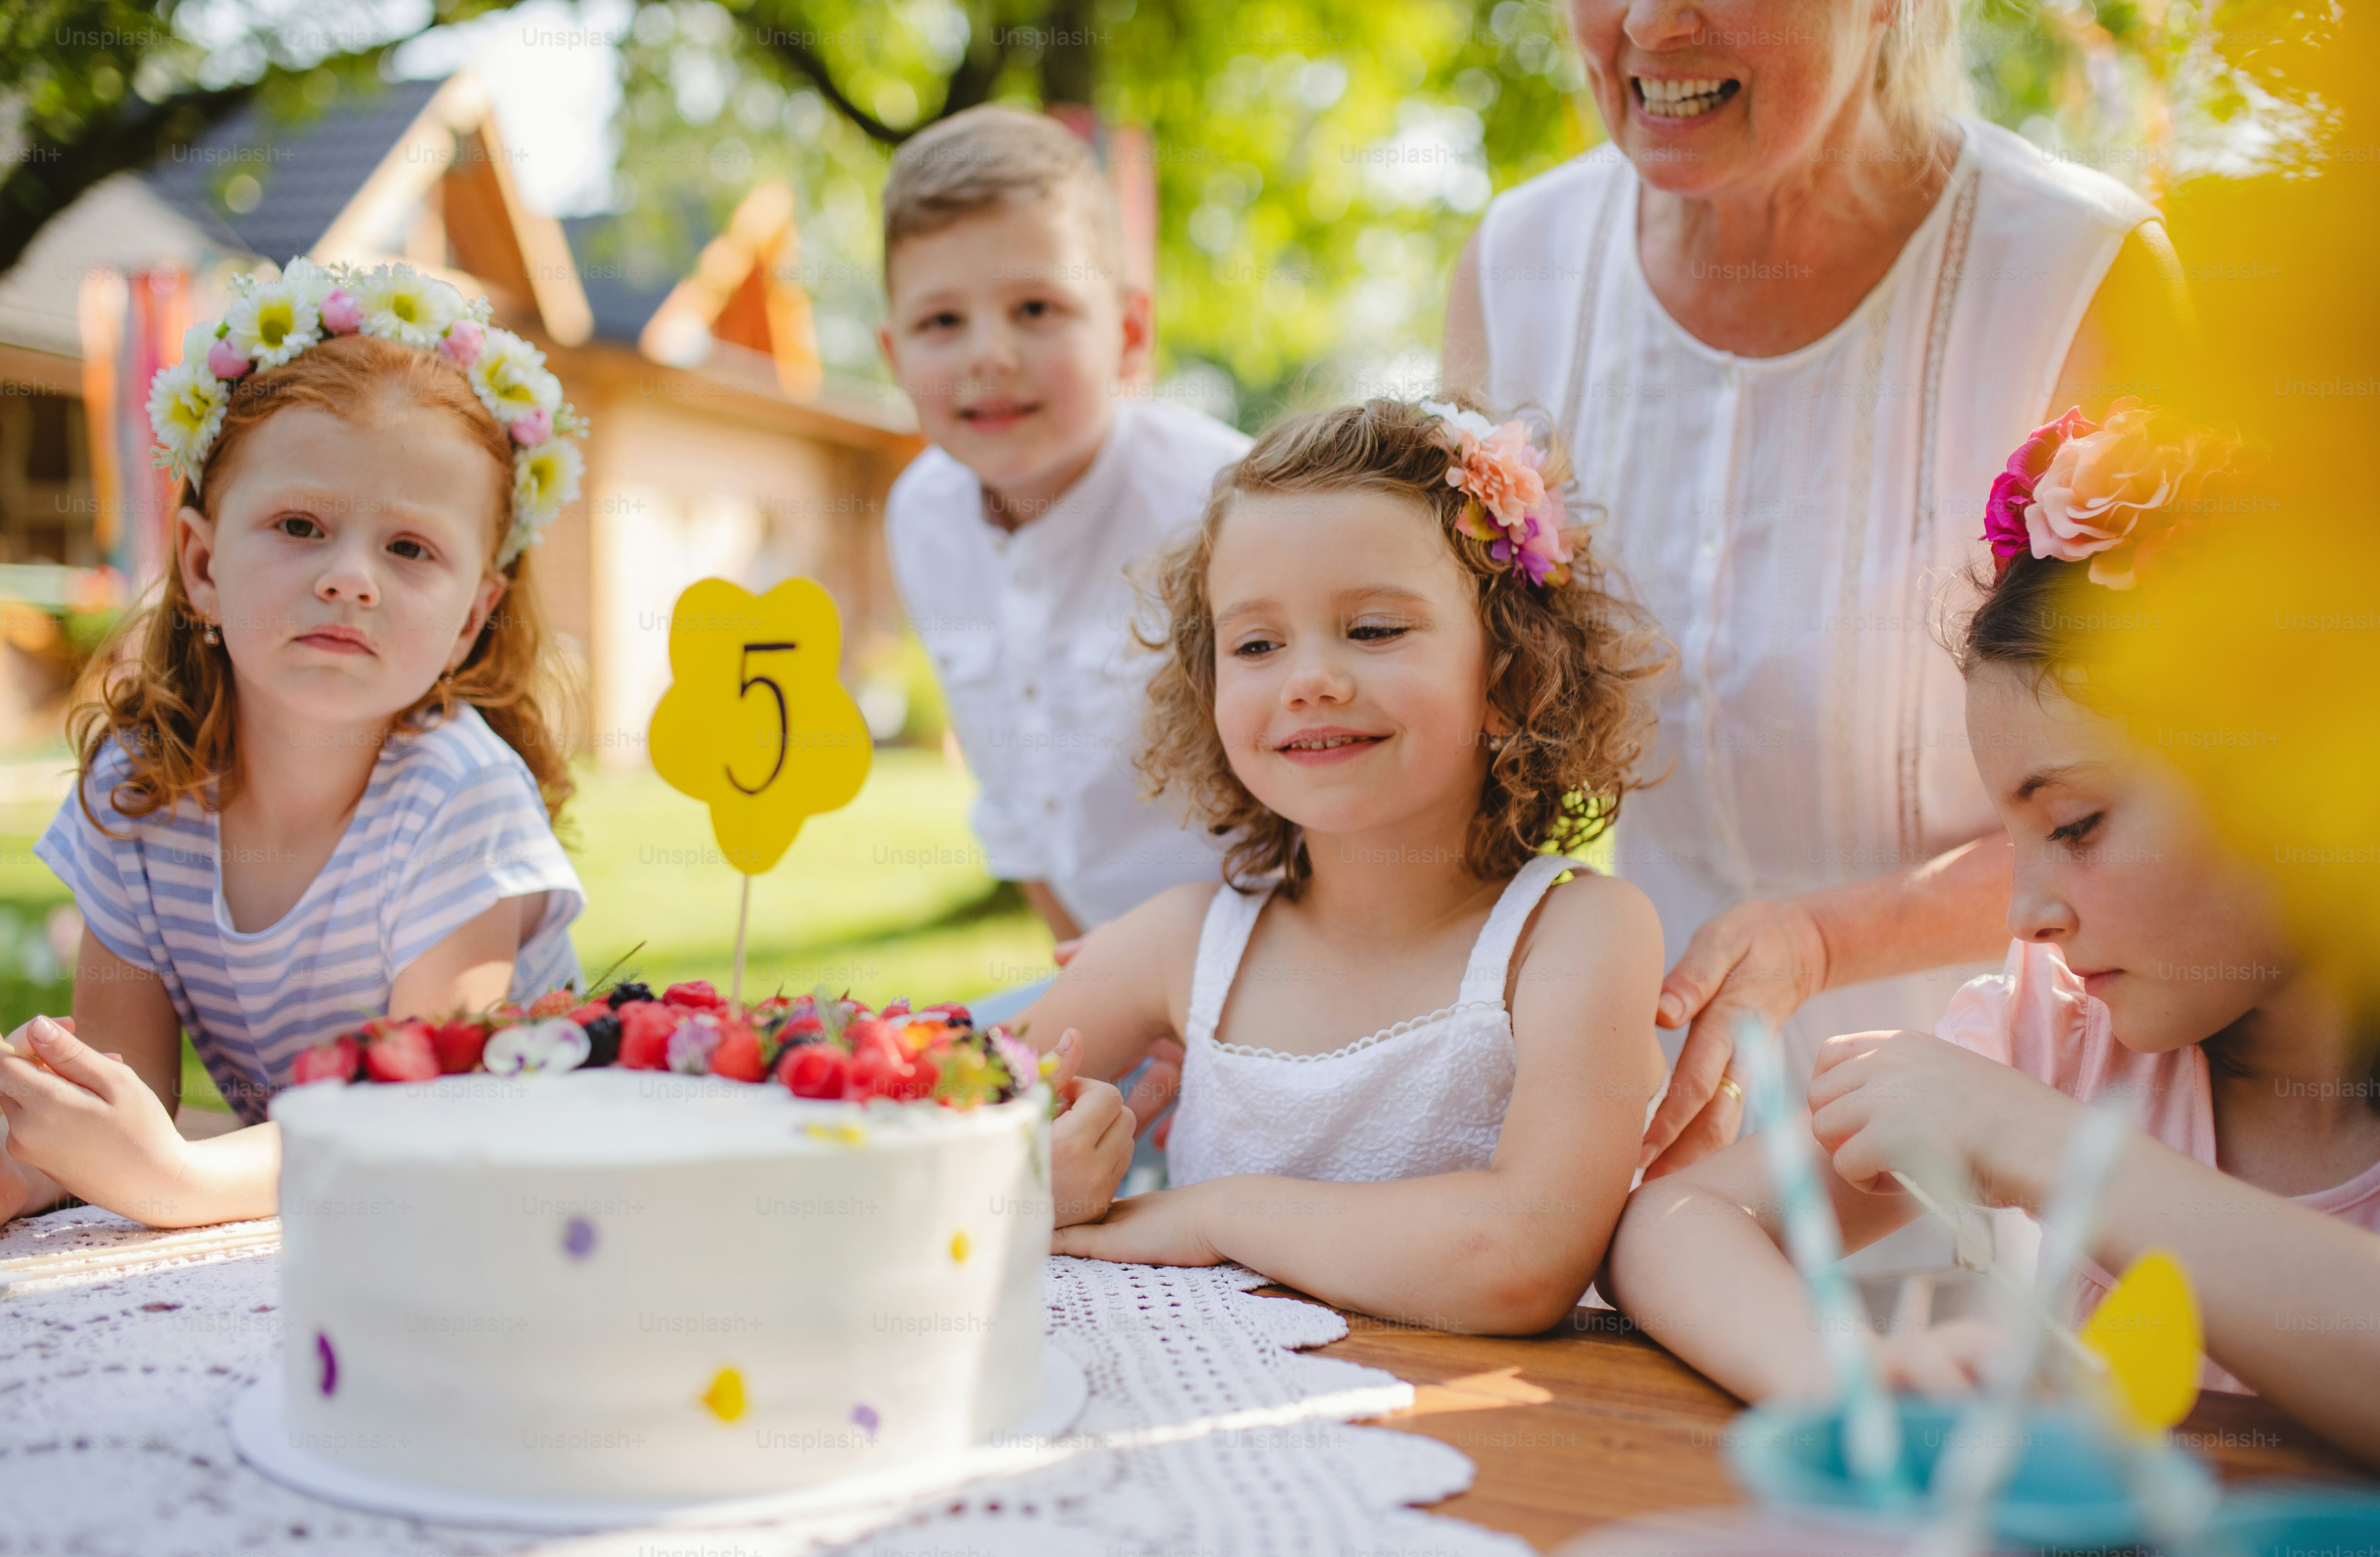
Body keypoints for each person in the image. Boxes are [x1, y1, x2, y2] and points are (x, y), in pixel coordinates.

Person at [1442, 0, 2195, 1176]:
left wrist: (1824, 939)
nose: (1648, 23)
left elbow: (2185, 791)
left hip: (2031, 1150)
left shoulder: (2077, 274)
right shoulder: (1518, 267)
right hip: (1657, 1141)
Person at [1603, 404, 2380, 1464]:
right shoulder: (2057, 1037)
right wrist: (1844, 1378)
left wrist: (2046, 1145)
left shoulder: (2038, 1099)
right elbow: (1670, 1224)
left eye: (2074, 824)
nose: (2025, 914)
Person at [1023, 396, 1674, 1332]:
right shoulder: (1180, 943)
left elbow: (1519, 1257)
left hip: (1499, 1453)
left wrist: (1219, 1211)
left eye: (1372, 629)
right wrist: (1024, 1176)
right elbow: (931, 1133)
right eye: (1257, 644)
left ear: (1511, 678)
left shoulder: (1574, 936)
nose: (1309, 678)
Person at [0, 261, 588, 1227]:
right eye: (300, 525)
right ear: (201, 564)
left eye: (410, 548)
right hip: (330, 1209)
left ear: (474, 614)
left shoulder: (460, 798)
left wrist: (177, 1181)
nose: (352, 577)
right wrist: (37, 1151)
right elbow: (123, 1108)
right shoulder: (136, 792)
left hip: (514, 1223)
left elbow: (427, 1118)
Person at [877, 104, 1251, 950]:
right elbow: (1013, 795)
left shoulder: (1230, 508)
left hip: (1278, 961)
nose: (989, 355)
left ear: (1128, 331)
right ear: (895, 355)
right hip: (1098, 962)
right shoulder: (922, 516)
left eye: (1037, 308)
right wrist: (1085, 968)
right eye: (942, 322)